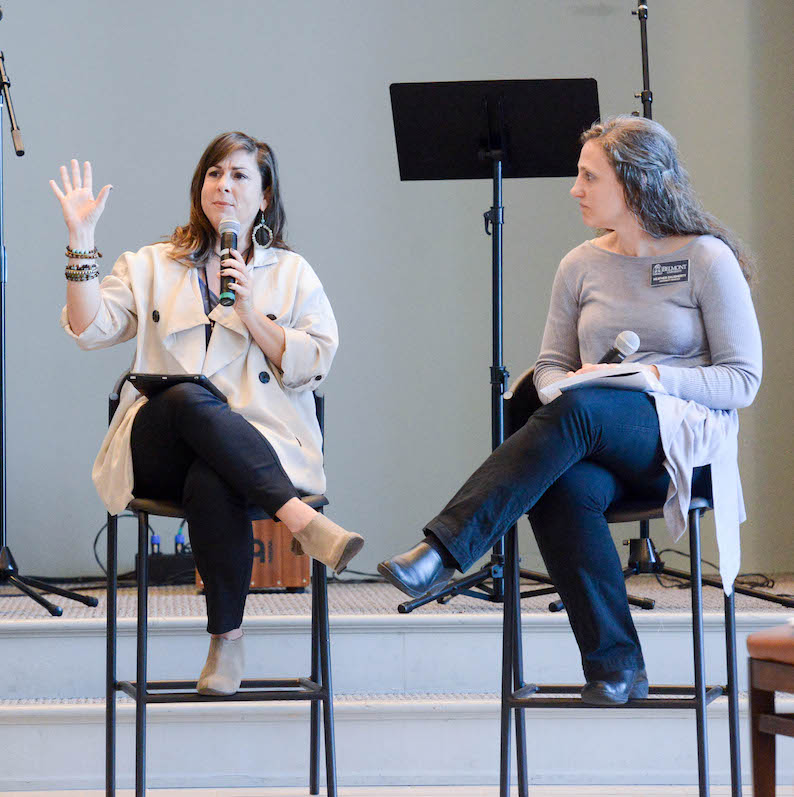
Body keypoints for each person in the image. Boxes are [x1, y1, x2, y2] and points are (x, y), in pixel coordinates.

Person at [378, 116, 762, 705]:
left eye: (589, 176)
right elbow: (551, 364)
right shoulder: (579, 264)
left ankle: (444, 549)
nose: (574, 188)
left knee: (579, 415)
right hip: (591, 433)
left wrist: (650, 375)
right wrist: (569, 386)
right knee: (560, 481)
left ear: (633, 183)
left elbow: (742, 380)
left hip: (680, 438)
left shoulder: (707, 259)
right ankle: (617, 667)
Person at [52, 131, 364, 696]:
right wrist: (81, 242)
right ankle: (299, 519)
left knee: (214, 473)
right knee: (183, 395)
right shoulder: (151, 264)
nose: (224, 184)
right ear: (200, 187)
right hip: (157, 447)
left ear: (265, 197)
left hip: (251, 451)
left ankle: (226, 641)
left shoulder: (292, 274)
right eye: (214, 173)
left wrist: (249, 308)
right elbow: (89, 328)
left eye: (240, 175)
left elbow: (316, 361)